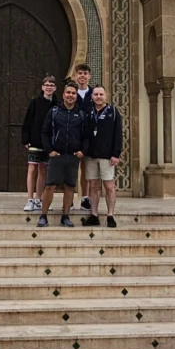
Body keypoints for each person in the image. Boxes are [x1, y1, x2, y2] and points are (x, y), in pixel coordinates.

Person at [38, 80, 87, 228]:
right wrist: (49, 150)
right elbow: (45, 132)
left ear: (76, 96)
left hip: (72, 156)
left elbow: (86, 136)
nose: (71, 95)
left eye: (73, 93)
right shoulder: (54, 112)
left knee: (70, 187)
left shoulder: (81, 114)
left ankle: (65, 216)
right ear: (63, 94)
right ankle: (43, 216)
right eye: (68, 93)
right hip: (56, 156)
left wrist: (82, 151)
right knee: (50, 186)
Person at [80, 85, 123, 228]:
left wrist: (116, 154)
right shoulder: (88, 112)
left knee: (109, 186)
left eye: (101, 94)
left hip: (107, 156)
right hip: (91, 156)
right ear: (92, 97)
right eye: (96, 94)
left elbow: (118, 134)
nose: (98, 97)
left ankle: (110, 215)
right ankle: (94, 215)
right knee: (93, 186)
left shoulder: (113, 112)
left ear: (106, 96)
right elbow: (84, 133)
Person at [20, 75, 58, 211]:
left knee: (43, 169)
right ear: (42, 87)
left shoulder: (57, 104)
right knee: (32, 168)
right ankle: (30, 199)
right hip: (35, 140)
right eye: (47, 85)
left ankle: (38, 199)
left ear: (55, 88)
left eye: (51, 85)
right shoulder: (35, 102)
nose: (49, 88)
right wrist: (26, 139)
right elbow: (28, 121)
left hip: (49, 143)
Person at [72, 64, 94, 211]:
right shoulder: (71, 92)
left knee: (87, 169)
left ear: (89, 76)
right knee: (71, 168)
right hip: (73, 136)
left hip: (89, 137)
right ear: (75, 76)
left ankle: (86, 198)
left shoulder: (94, 94)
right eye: (80, 73)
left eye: (85, 73)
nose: (82, 76)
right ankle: (69, 199)